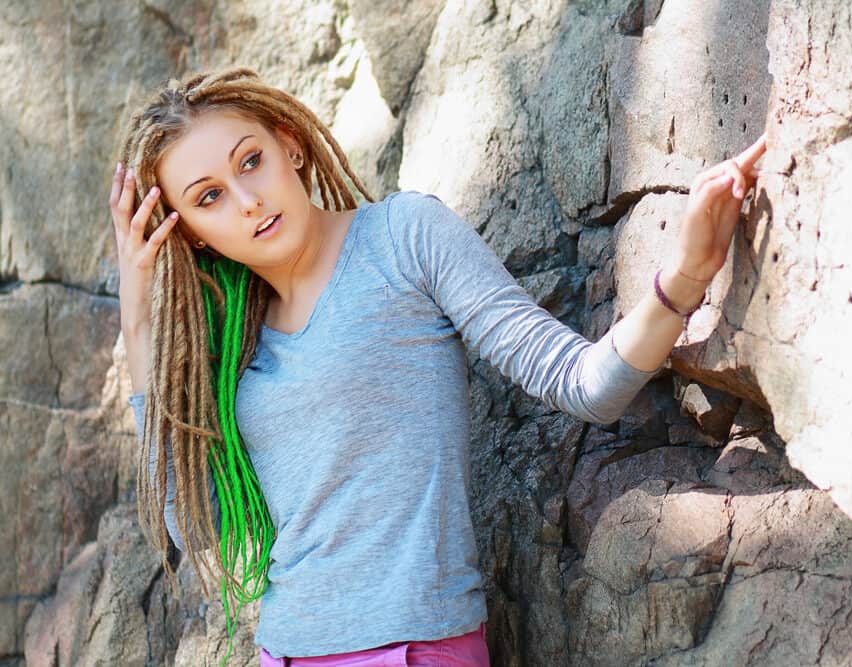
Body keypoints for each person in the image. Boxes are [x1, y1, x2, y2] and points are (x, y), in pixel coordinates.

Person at [109, 66, 765, 667]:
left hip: (415, 647)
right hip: (285, 648)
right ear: (188, 232)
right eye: (209, 197)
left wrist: (686, 274)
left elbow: (586, 384)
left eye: (250, 161)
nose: (248, 199)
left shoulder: (404, 239)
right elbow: (202, 529)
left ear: (292, 145)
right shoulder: (234, 348)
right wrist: (138, 324)